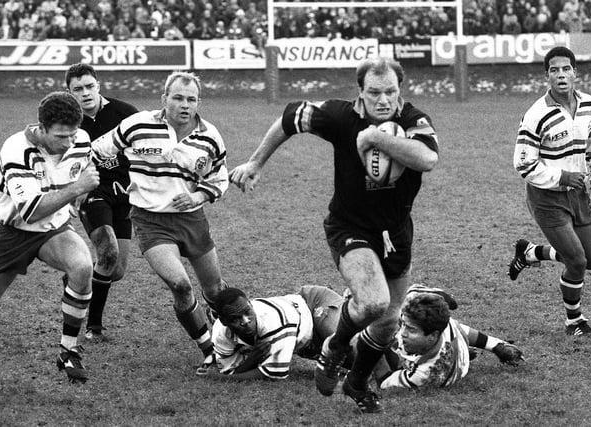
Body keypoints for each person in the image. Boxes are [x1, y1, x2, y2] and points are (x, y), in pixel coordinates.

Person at [230, 57, 439, 413]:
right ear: (360, 93)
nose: (384, 100)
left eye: (391, 91)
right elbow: (289, 118)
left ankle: (356, 381)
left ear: (400, 91)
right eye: (374, 92)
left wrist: (376, 138)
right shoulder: (340, 116)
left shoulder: (412, 119)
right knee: (372, 302)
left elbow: (427, 158)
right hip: (349, 227)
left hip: (396, 231)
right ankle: (335, 347)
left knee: (387, 321)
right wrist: (256, 162)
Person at [90, 71, 228, 370]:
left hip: (192, 220)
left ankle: (228, 334)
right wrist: (101, 181)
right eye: (177, 97)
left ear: (198, 102)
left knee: (216, 290)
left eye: (190, 99)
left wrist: (199, 196)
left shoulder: (209, 136)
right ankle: (209, 351)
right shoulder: (137, 125)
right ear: (164, 99)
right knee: (180, 285)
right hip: (150, 221)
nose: (184, 104)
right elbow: (96, 150)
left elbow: (219, 177)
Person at [0, 92, 100, 383]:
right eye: (61, 136)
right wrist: (75, 189)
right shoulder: (16, 149)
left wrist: (79, 195)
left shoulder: (79, 139)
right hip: (11, 232)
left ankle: (68, 351)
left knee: (83, 266)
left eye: (73, 134)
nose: (69, 142)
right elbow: (31, 212)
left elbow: (86, 169)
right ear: (41, 128)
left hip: (53, 231)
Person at [510, 46, 591, 337]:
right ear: (546, 77)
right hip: (547, 198)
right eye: (554, 70)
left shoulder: (590, 106)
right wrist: (562, 175)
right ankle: (573, 321)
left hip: (578, 194)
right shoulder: (536, 114)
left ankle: (531, 253)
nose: (561, 75)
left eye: (566, 69)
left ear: (576, 73)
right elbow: (523, 163)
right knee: (577, 261)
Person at [206, 284, 458, 381]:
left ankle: (414, 296)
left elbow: (273, 373)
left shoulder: (272, 323)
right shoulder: (220, 333)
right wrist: (249, 361)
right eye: (235, 319)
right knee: (355, 358)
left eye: (246, 311)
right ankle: (410, 359)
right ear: (222, 320)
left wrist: (226, 376)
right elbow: (230, 370)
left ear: (250, 302)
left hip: (314, 304)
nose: (245, 321)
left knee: (351, 344)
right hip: (308, 340)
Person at [65, 63, 138, 341]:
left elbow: (148, 144)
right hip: (92, 191)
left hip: (125, 193)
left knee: (115, 269)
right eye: (77, 89)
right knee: (107, 253)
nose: (85, 93)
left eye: (89, 86)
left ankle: (77, 282)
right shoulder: (69, 122)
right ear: (69, 93)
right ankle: (94, 327)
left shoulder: (125, 113)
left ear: (98, 85)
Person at [373, 284, 524, 390]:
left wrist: (372, 343)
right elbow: (459, 330)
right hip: (456, 345)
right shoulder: (442, 326)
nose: (403, 332)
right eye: (404, 326)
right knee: (404, 306)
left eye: (410, 330)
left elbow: (385, 380)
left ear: (433, 336)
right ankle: (494, 345)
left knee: (373, 347)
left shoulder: (426, 373)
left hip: (452, 359)